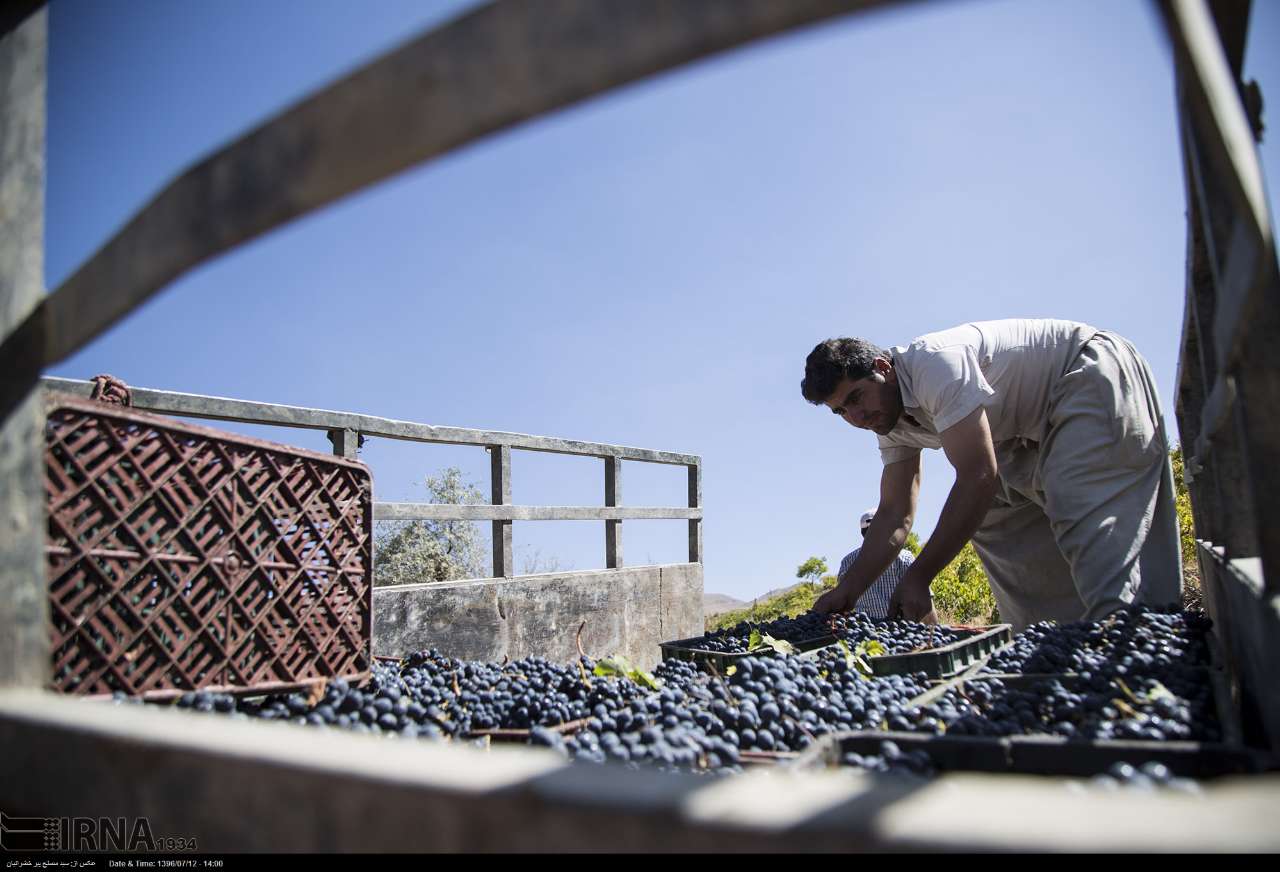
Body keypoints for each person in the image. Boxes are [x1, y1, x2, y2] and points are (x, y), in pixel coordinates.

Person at [801, 318, 1182, 631]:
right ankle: (1062, 643)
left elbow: (979, 475)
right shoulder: (889, 421)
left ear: (882, 369)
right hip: (1022, 434)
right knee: (995, 518)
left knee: (1081, 504)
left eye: (855, 398)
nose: (856, 418)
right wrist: (848, 591)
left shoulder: (935, 365)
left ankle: (1130, 644)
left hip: (1083, 375)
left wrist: (919, 575)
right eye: (840, 412)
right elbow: (895, 513)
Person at [838, 509, 917, 620]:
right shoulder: (904, 557)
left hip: (863, 630)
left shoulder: (847, 561)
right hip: (900, 631)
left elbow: (842, 602)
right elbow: (917, 598)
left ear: (862, 532)